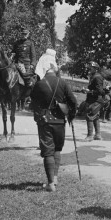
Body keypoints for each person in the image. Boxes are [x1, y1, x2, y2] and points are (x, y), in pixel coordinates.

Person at [29, 61, 79, 192]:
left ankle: (50, 184)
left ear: (45, 70)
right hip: (60, 121)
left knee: (48, 151)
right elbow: (73, 102)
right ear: (55, 70)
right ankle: (55, 178)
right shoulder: (62, 83)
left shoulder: (39, 84)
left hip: (45, 121)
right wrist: (71, 115)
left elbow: (32, 103)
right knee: (57, 149)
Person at [84, 62, 108, 140]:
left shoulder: (97, 77)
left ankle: (90, 135)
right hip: (93, 99)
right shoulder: (94, 76)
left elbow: (100, 91)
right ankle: (98, 135)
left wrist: (90, 91)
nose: (89, 69)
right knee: (95, 117)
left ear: (95, 69)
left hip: (96, 100)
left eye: (91, 68)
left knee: (90, 115)